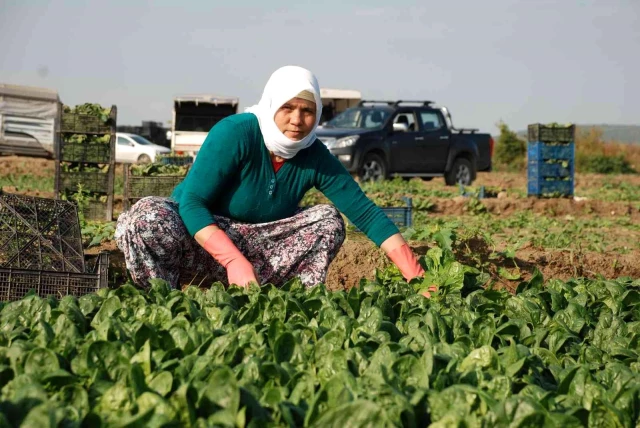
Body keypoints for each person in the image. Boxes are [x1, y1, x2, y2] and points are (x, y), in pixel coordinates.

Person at [115, 66, 436, 296]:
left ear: (318, 113)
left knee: (327, 220)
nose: (297, 120)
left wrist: (416, 275)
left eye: (307, 110)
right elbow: (192, 202)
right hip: (199, 241)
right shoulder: (237, 133)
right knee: (145, 218)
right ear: (271, 105)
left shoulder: (314, 155)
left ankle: (288, 302)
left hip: (260, 250)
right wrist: (232, 260)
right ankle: (160, 302)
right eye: (288, 108)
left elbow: (364, 213)